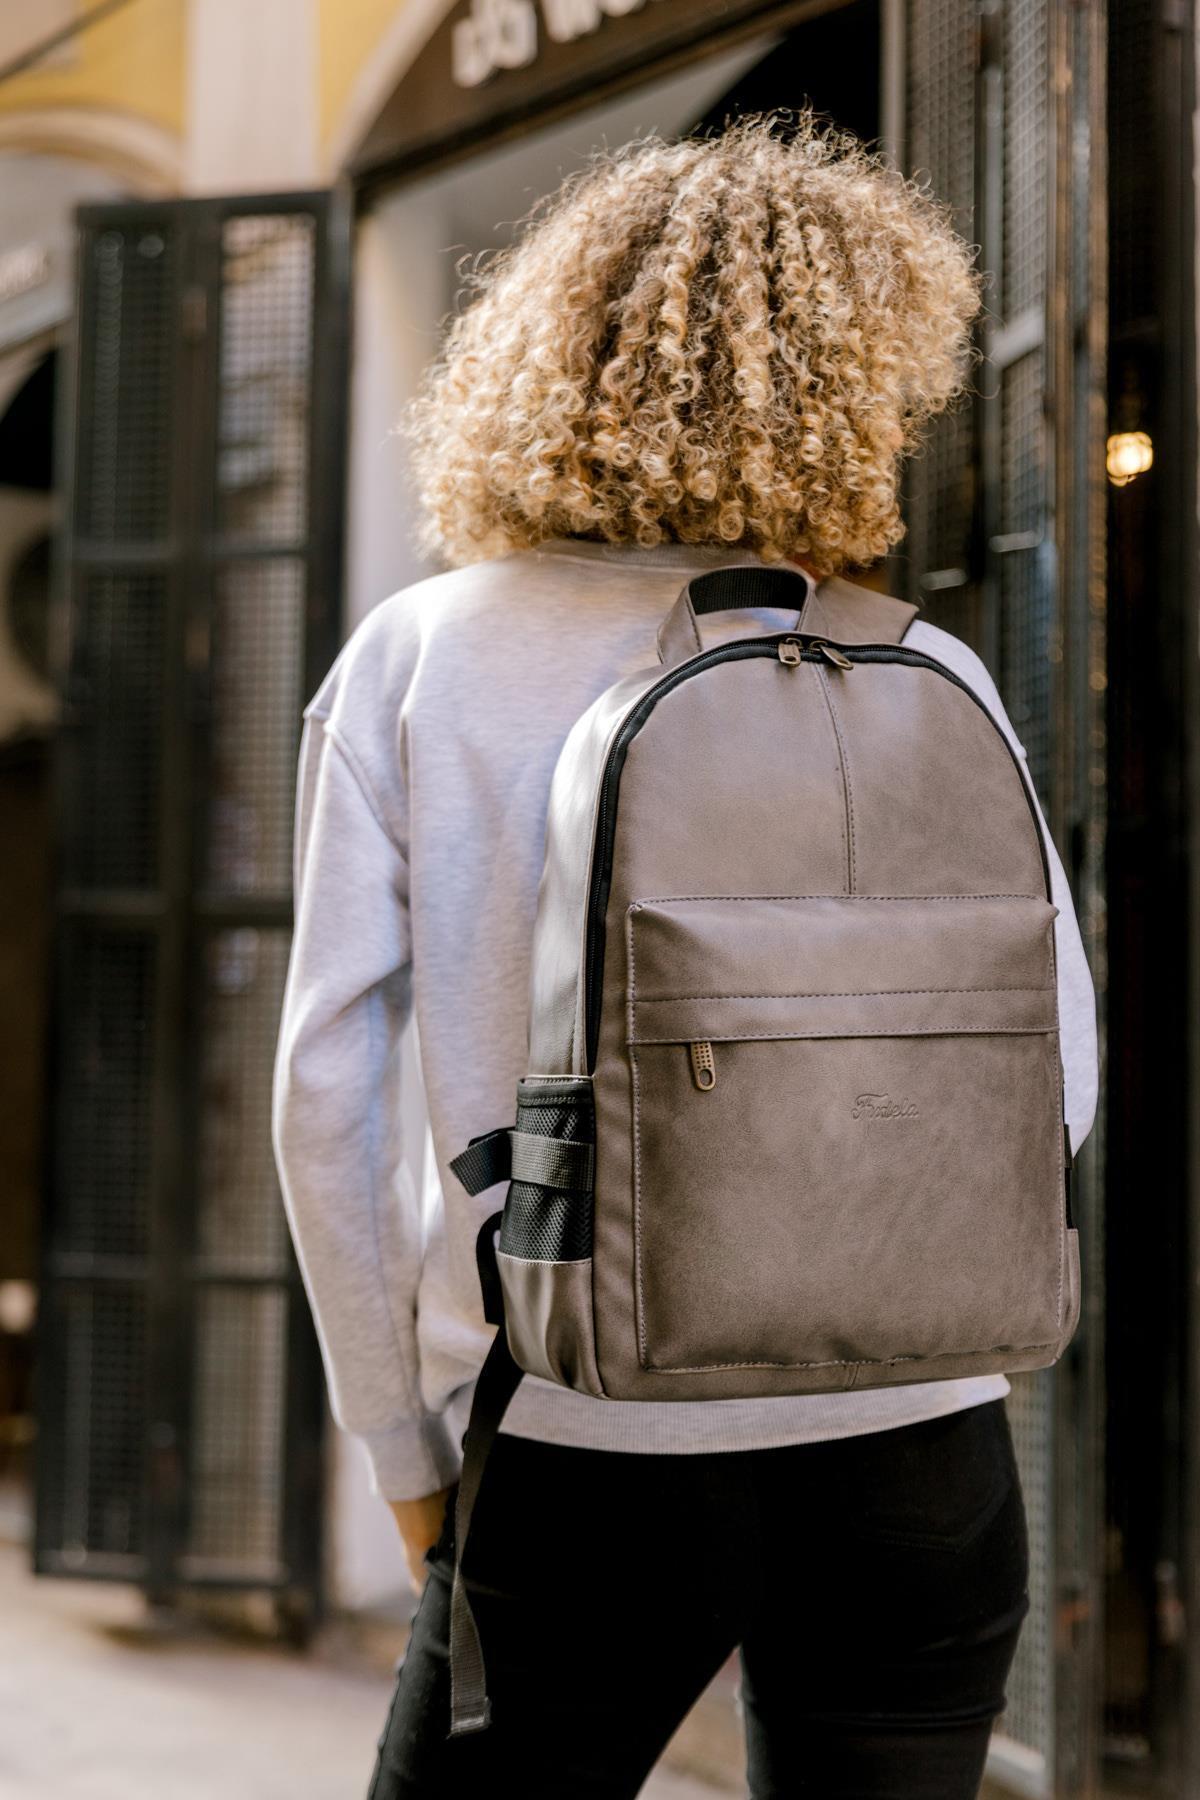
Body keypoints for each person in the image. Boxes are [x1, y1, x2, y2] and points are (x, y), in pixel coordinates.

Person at [272, 115, 1098, 1799]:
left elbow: (326, 1099)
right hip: (922, 1441)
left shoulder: (422, 658)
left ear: (546, 354)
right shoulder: (919, 663)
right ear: (868, 373)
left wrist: (398, 1439)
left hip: (577, 1429)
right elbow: (1057, 1078)